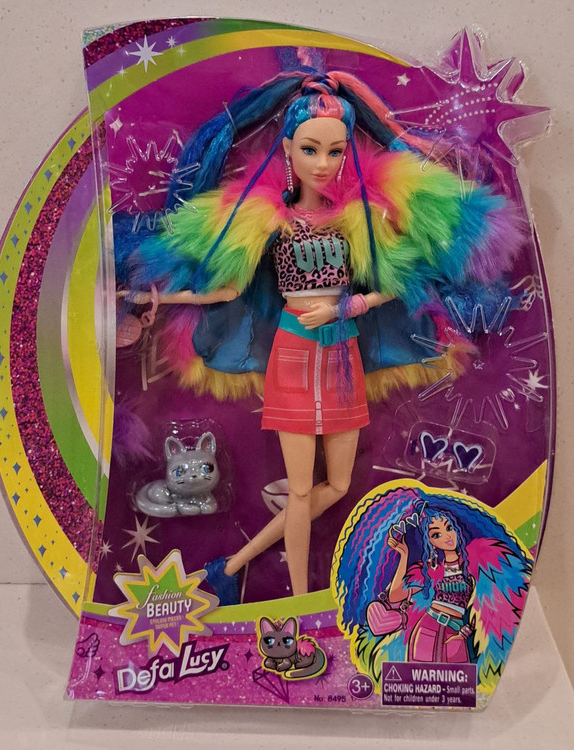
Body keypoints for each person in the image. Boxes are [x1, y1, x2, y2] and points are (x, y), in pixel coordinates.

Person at [116, 69, 523, 603]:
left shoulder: (361, 218)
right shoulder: (272, 220)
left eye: (335, 151)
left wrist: (351, 304)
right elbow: (228, 289)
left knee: (337, 484)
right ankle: (299, 598)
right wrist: (160, 299)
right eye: (311, 149)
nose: (324, 163)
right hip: (291, 353)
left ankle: (233, 564)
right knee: (305, 487)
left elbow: (401, 282)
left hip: (342, 352)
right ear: (288, 149)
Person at [333, 486, 532, 691]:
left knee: (457, 690)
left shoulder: (478, 562)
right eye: (436, 534)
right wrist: (404, 555)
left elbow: (487, 605)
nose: (447, 536)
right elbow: (395, 595)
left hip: (456, 631)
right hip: (426, 630)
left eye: (449, 527)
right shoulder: (429, 570)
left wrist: (463, 634)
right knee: (421, 688)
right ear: (430, 542)